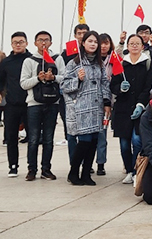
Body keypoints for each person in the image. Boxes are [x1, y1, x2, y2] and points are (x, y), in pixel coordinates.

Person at [61, 31, 111, 186]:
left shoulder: (99, 64)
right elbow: (64, 85)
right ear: (83, 43)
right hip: (81, 108)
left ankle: (86, 173)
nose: (93, 44)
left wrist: (107, 102)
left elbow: (104, 83)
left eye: (95, 42)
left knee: (94, 141)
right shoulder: (74, 63)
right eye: (90, 41)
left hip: (96, 108)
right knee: (84, 141)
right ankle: (73, 172)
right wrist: (77, 79)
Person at [20, 31, 66, 181]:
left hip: (52, 103)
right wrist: (38, 78)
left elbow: (65, 79)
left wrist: (53, 77)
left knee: (48, 138)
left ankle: (46, 169)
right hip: (34, 104)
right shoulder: (29, 61)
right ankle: (31, 169)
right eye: (40, 40)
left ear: (51, 43)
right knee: (33, 138)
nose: (43, 43)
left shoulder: (57, 59)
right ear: (35, 43)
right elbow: (23, 83)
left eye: (46, 40)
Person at [110, 34, 152, 184]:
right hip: (122, 110)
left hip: (140, 109)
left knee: (137, 141)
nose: (134, 46)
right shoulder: (121, 64)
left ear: (142, 46)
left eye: (138, 43)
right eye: (132, 43)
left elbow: (148, 87)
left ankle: (136, 171)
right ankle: (129, 171)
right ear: (128, 46)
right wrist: (120, 89)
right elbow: (113, 85)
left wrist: (140, 105)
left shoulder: (148, 64)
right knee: (124, 144)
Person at [0, 32, 32, 177]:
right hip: (12, 104)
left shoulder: (32, 60)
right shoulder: (6, 62)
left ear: (26, 43)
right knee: (11, 137)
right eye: (15, 42)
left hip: (30, 104)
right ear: (11, 44)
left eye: (21, 42)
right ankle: (13, 166)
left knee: (33, 137)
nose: (18, 45)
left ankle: (32, 167)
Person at [95, 33, 115, 175]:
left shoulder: (114, 60)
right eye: (100, 43)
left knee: (102, 134)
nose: (103, 46)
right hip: (93, 102)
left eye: (106, 43)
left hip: (109, 103)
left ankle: (101, 164)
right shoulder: (91, 60)